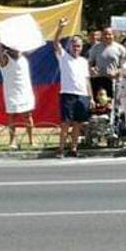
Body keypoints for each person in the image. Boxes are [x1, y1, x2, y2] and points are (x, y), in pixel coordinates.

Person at [52, 18, 91, 158]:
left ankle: (73, 149)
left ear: (82, 48)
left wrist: (89, 96)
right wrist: (60, 28)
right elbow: (55, 43)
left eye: (79, 46)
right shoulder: (63, 57)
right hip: (67, 94)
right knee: (65, 124)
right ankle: (60, 149)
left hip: (82, 95)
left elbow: (87, 80)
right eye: (74, 45)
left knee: (78, 124)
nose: (76, 48)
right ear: (69, 46)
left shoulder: (83, 62)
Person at [0, 42, 35, 148]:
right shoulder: (5, 58)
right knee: (12, 116)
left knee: (28, 116)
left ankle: (31, 141)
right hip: (11, 92)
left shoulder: (23, 58)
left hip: (25, 91)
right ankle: (12, 142)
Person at [86, 27, 126, 104]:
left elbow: (125, 66)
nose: (107, 36)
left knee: (114, 103)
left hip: (114, 80)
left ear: (113, 35)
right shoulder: (95, 47)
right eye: (105, 34)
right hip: (99, 79)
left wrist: (117, 72)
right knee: (100, 104)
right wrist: (91, 69)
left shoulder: (120, 48)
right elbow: (89, 63)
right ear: (102, 36)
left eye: (109, 34)